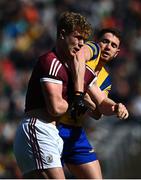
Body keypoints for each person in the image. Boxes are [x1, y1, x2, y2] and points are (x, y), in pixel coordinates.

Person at [13, 11, 92, 179]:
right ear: (62, 34)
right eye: (77, 37)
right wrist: (76, 97)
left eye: (84, 40)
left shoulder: (67, 66)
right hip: (39, 129)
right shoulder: (51, 62)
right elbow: (55, 108)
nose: (80, 44)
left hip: (47, 132)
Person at [58, 28, 126, 179]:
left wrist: (115, 107)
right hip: (55, 126)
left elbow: (97, 113)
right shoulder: (83, 56)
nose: (108, 47)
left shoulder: (106, 79)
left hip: (76, 132)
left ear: (116, 53)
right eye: (105, 41)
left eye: (113, 45)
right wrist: (88, 98)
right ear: (96, 42)